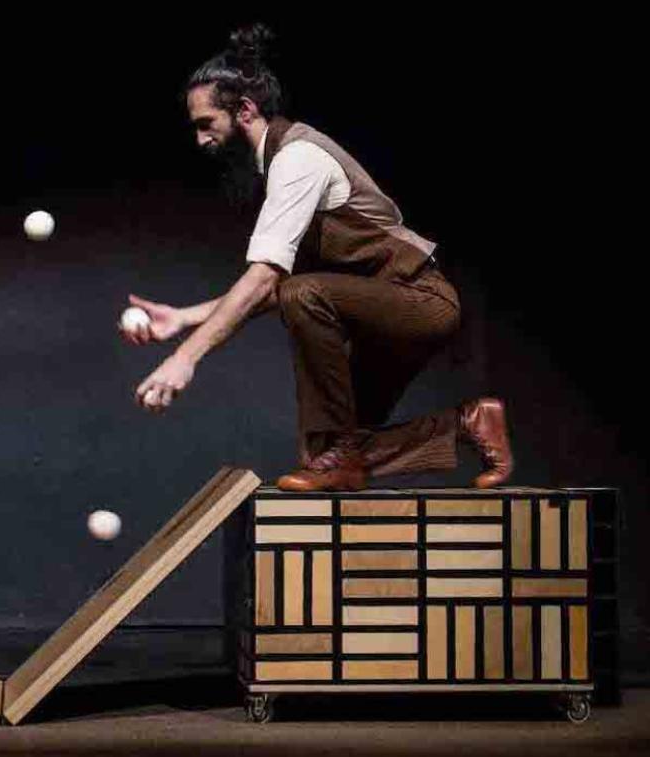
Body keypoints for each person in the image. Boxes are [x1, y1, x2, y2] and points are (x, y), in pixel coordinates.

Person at [120, 24, 511, 491]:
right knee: (326, 454)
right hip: (375, 314)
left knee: (302, 294)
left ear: (244, 110)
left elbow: (267, 281)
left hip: (420, 301)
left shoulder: (297, 160)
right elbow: (272, 288)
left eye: (207, 124)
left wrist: (185, 358)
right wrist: (184, 318)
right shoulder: (279, 166)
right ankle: (468, 423)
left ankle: (344, 457)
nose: (201, 140)